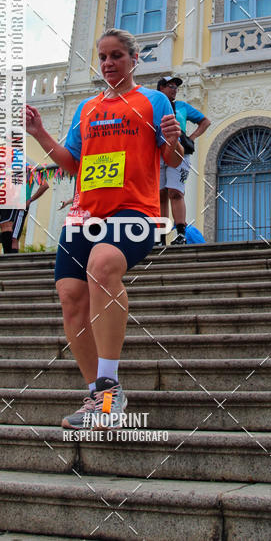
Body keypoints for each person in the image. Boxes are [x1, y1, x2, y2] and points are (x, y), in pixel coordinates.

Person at [26, 28, 182, 428]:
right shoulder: (87, 108)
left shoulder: (152, 99)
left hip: (135, 212)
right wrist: (40, 133)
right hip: (84, 215)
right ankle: (99, 394)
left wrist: (173, 140)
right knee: (69, 296)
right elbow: (72, 163)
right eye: (103, 57)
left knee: (104, 263)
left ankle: (109, 391)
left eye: (117, 56)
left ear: (133, 60)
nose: (109, 63)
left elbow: (171, 158)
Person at [156, 75, 210, 245]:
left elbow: (204, 121)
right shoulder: (153, 106)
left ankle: (181, 233)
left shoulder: (181, 107)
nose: (174, 89)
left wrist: (191, 138)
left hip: (179, 153)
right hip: (158, 153)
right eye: (169, 85)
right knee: (160, 195)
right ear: (160, 89)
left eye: (175, 86)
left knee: (175, 192)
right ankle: (160, 237)